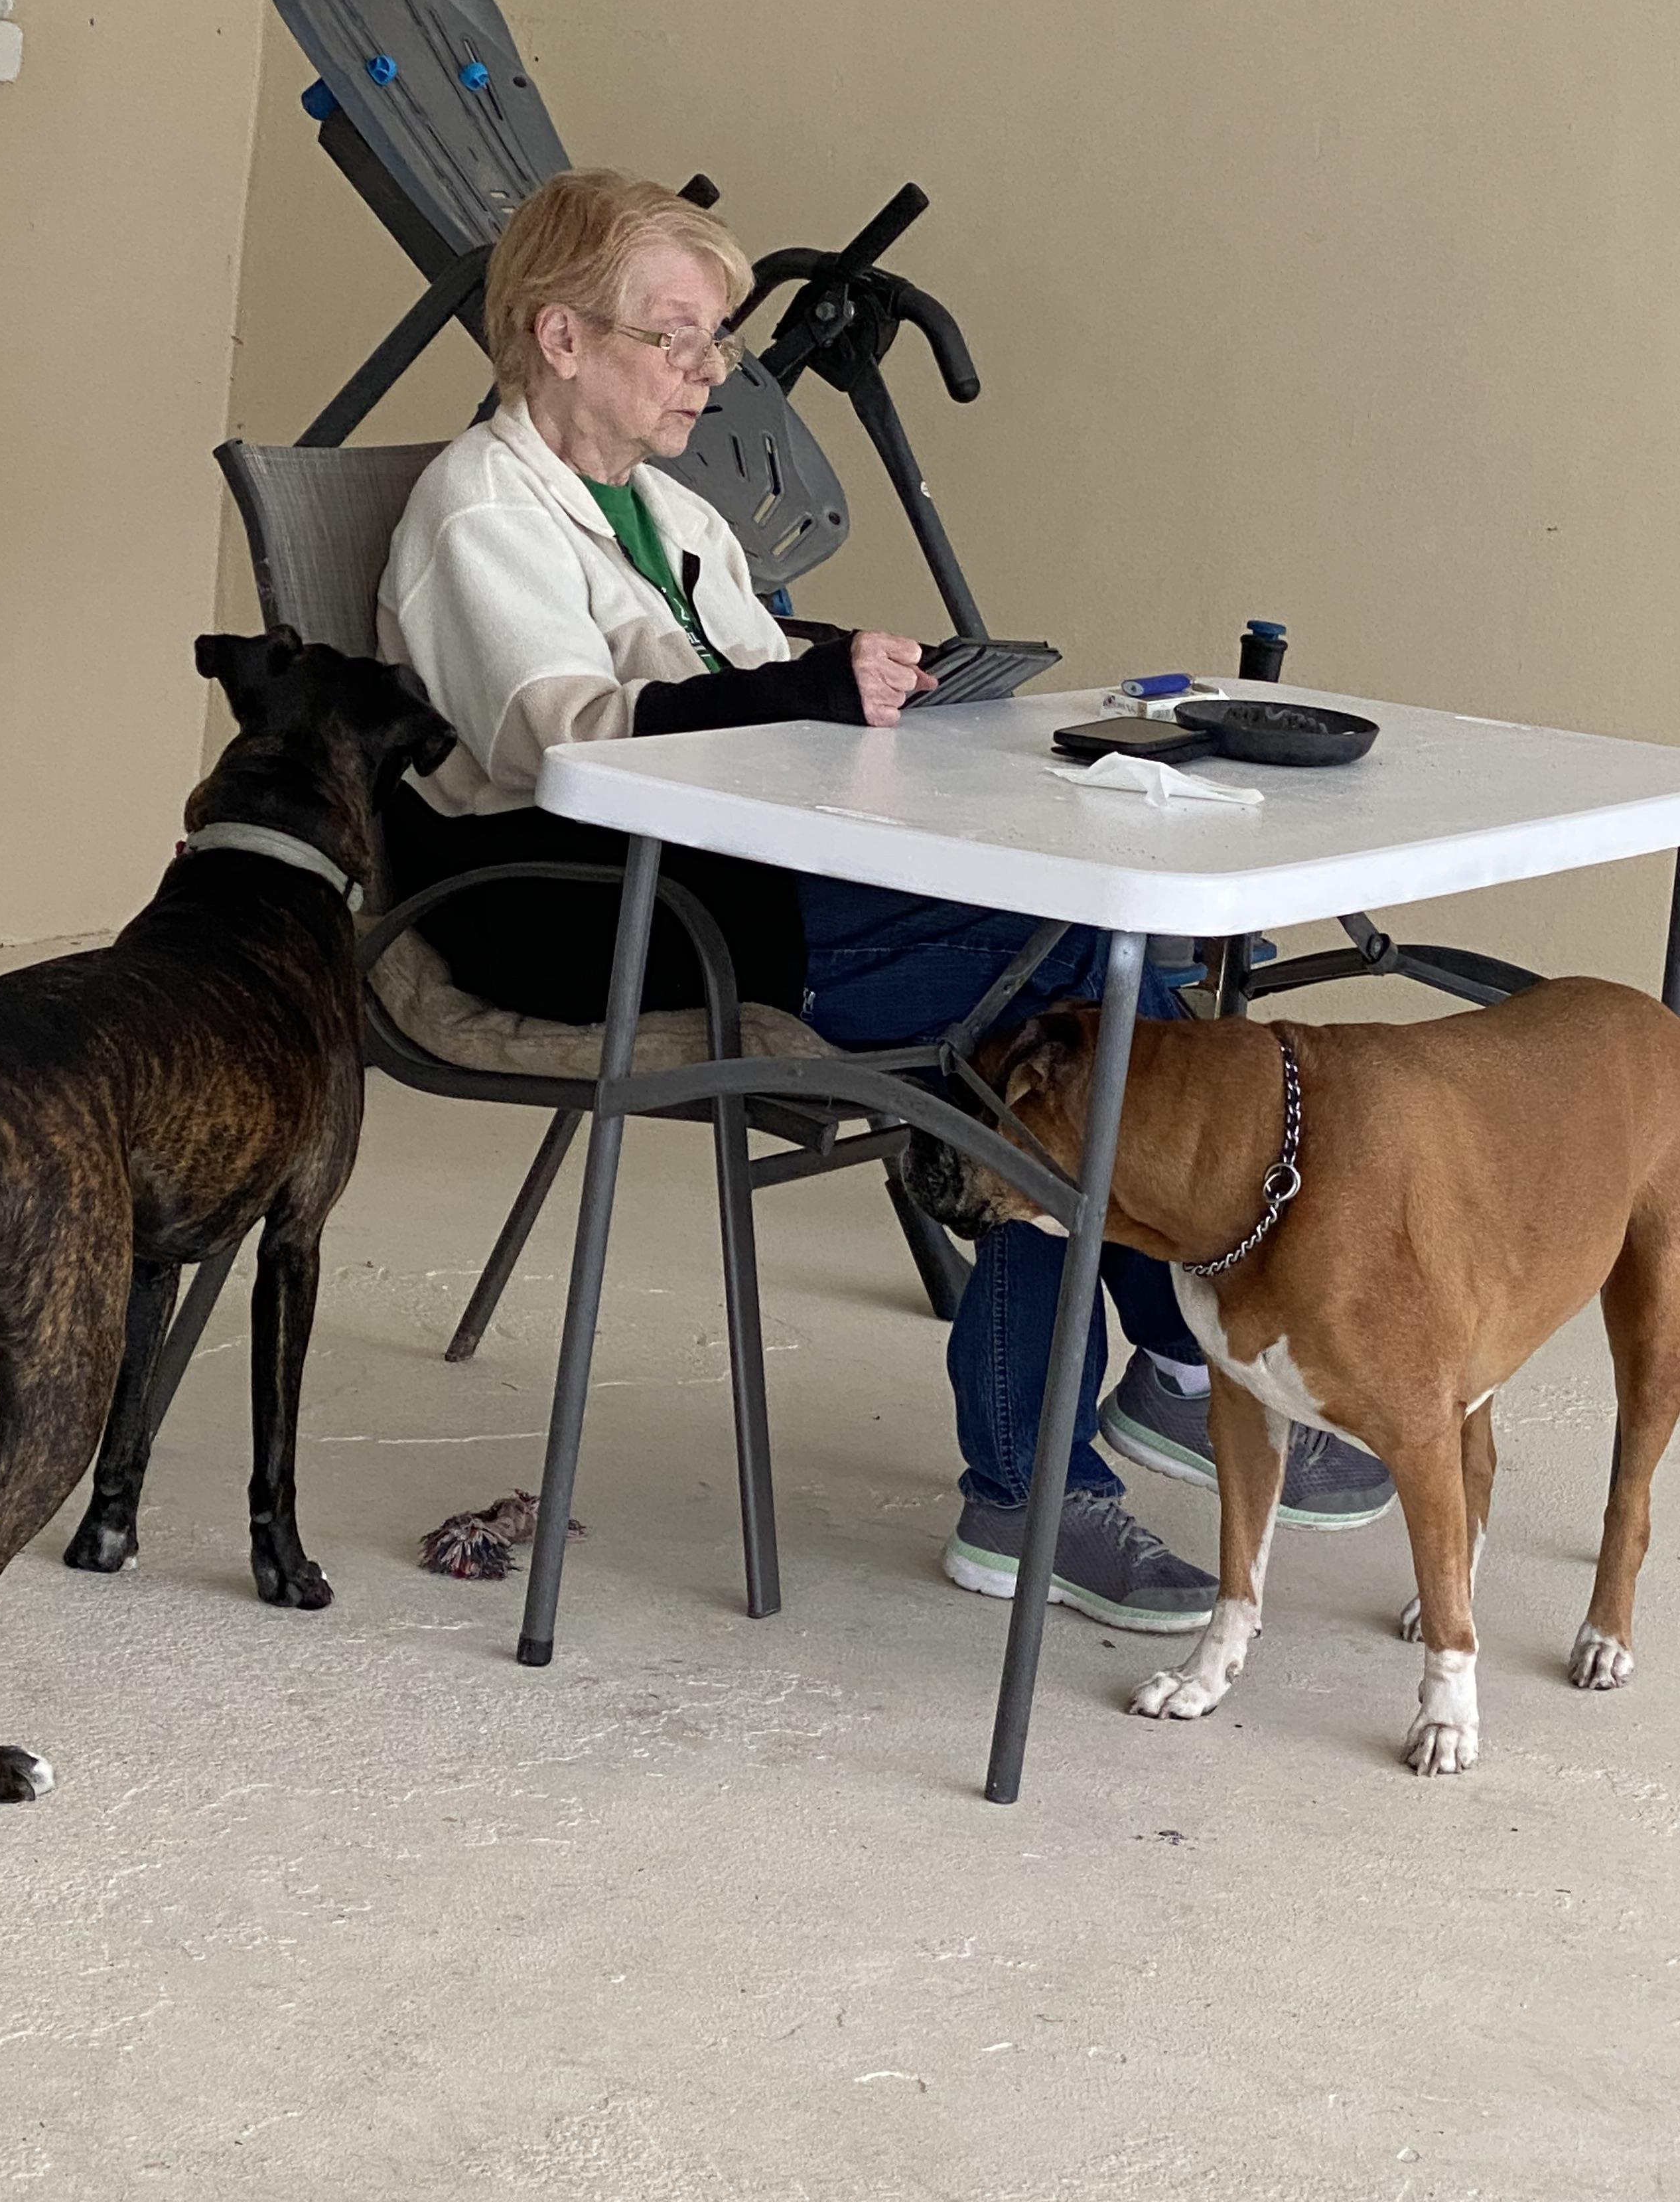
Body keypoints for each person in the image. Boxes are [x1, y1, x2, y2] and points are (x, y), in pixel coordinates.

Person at [378, 170, 1392, 1632]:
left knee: (1112, 973)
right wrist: (802, 683)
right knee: (1086, 995)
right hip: (589, 914)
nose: (711, 367)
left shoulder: (664, 510)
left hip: (738, 879)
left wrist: (856, 685)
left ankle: (1147, 1393)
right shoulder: (480, 509)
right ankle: (1121, 1419)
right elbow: (564, 743)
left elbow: (746, 699)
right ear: (560, 339)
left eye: (717, 334)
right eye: (677, 335)